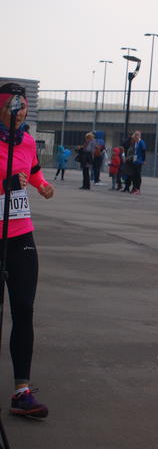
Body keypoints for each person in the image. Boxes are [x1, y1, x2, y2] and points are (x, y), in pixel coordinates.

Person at [0, 82, 54, 418]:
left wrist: (42, 185)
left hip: (20, 234)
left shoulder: (27, 141)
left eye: (22, 108)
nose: (18, 113)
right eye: (12, 106)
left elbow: (31, 170)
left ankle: (22, 391)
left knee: (23, 308)